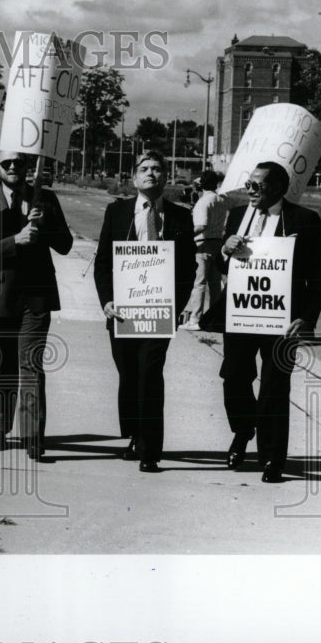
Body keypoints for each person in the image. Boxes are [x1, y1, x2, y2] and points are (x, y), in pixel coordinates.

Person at [211, 160, 321, 483]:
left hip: (282, 320)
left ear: (277, 187)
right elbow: (225, 270)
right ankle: (243, 430)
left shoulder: (304, 220)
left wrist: (306, 318)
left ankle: (272, 459)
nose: (249, 189)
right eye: (248, 183)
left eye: (257, 185)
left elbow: (318, 277)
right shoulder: (237, 216)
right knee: (234, 377)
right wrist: (225, 250)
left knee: (275, 388)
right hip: (241, 314)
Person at [93, 151, 196, 473]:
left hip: (158, 312)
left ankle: (151, 449)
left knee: (150, 373)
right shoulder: (117, 212)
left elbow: (188, 268)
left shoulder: (181, 217)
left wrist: (175, 306)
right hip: (122, 311)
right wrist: (107, 301)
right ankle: (135, 433)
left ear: (166, 177)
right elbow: (102, 263)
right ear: (134, 177)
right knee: (128, 373)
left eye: (157, 168)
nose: (151, 174)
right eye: (145, 169)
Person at [0, 150, 73, 461]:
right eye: (7, 163)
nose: (13, 167)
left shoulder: (46, 199)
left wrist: (47, 223)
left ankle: (32, 438)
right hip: (1, 296)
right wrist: (15, 240)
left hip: (36, 297)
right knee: (0, 366)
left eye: (19, 162)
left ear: (28, 166)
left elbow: (65, 245)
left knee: (32, 367)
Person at [182, 170, 229, 330]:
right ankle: (214, 319)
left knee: (199, 283)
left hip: (203, 244)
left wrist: (184, 235)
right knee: (214, 284)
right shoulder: (221, 200)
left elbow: (201, 225)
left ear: (201, 185)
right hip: (217, 243)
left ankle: (195, 319)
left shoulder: (203, 202)